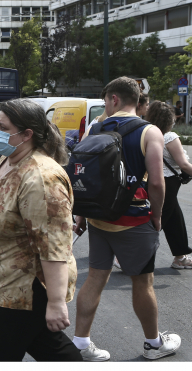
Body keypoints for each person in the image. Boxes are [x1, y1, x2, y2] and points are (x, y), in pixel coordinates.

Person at [0, 99, 81, 362]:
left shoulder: (41, 177)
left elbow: (54, 245)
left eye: (4, 127)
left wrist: (56, 303)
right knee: (57, 353)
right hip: (0, 283)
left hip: (21, 292)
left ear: (27, 134)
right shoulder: (5, 158)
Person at [73, 77, 181, 361]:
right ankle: (153, 344)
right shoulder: (150, 132)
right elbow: (157, 183)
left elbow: (84, 175)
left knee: (95, 278)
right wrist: (156, 216)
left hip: (98, 218)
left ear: (114, 99)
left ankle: (81, 343)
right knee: (142, 282)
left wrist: (82, 214)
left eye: (105, 99)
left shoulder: (95, 129)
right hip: (134, 220)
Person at [145, 101, 192, 269]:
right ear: (168, 119)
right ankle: (129, 256)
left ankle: (180, 256)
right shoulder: (170, 137)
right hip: (168, 183)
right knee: (158, 221)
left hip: (151, 179)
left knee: (174, 219)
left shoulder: (146, 134)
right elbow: (184, 165)